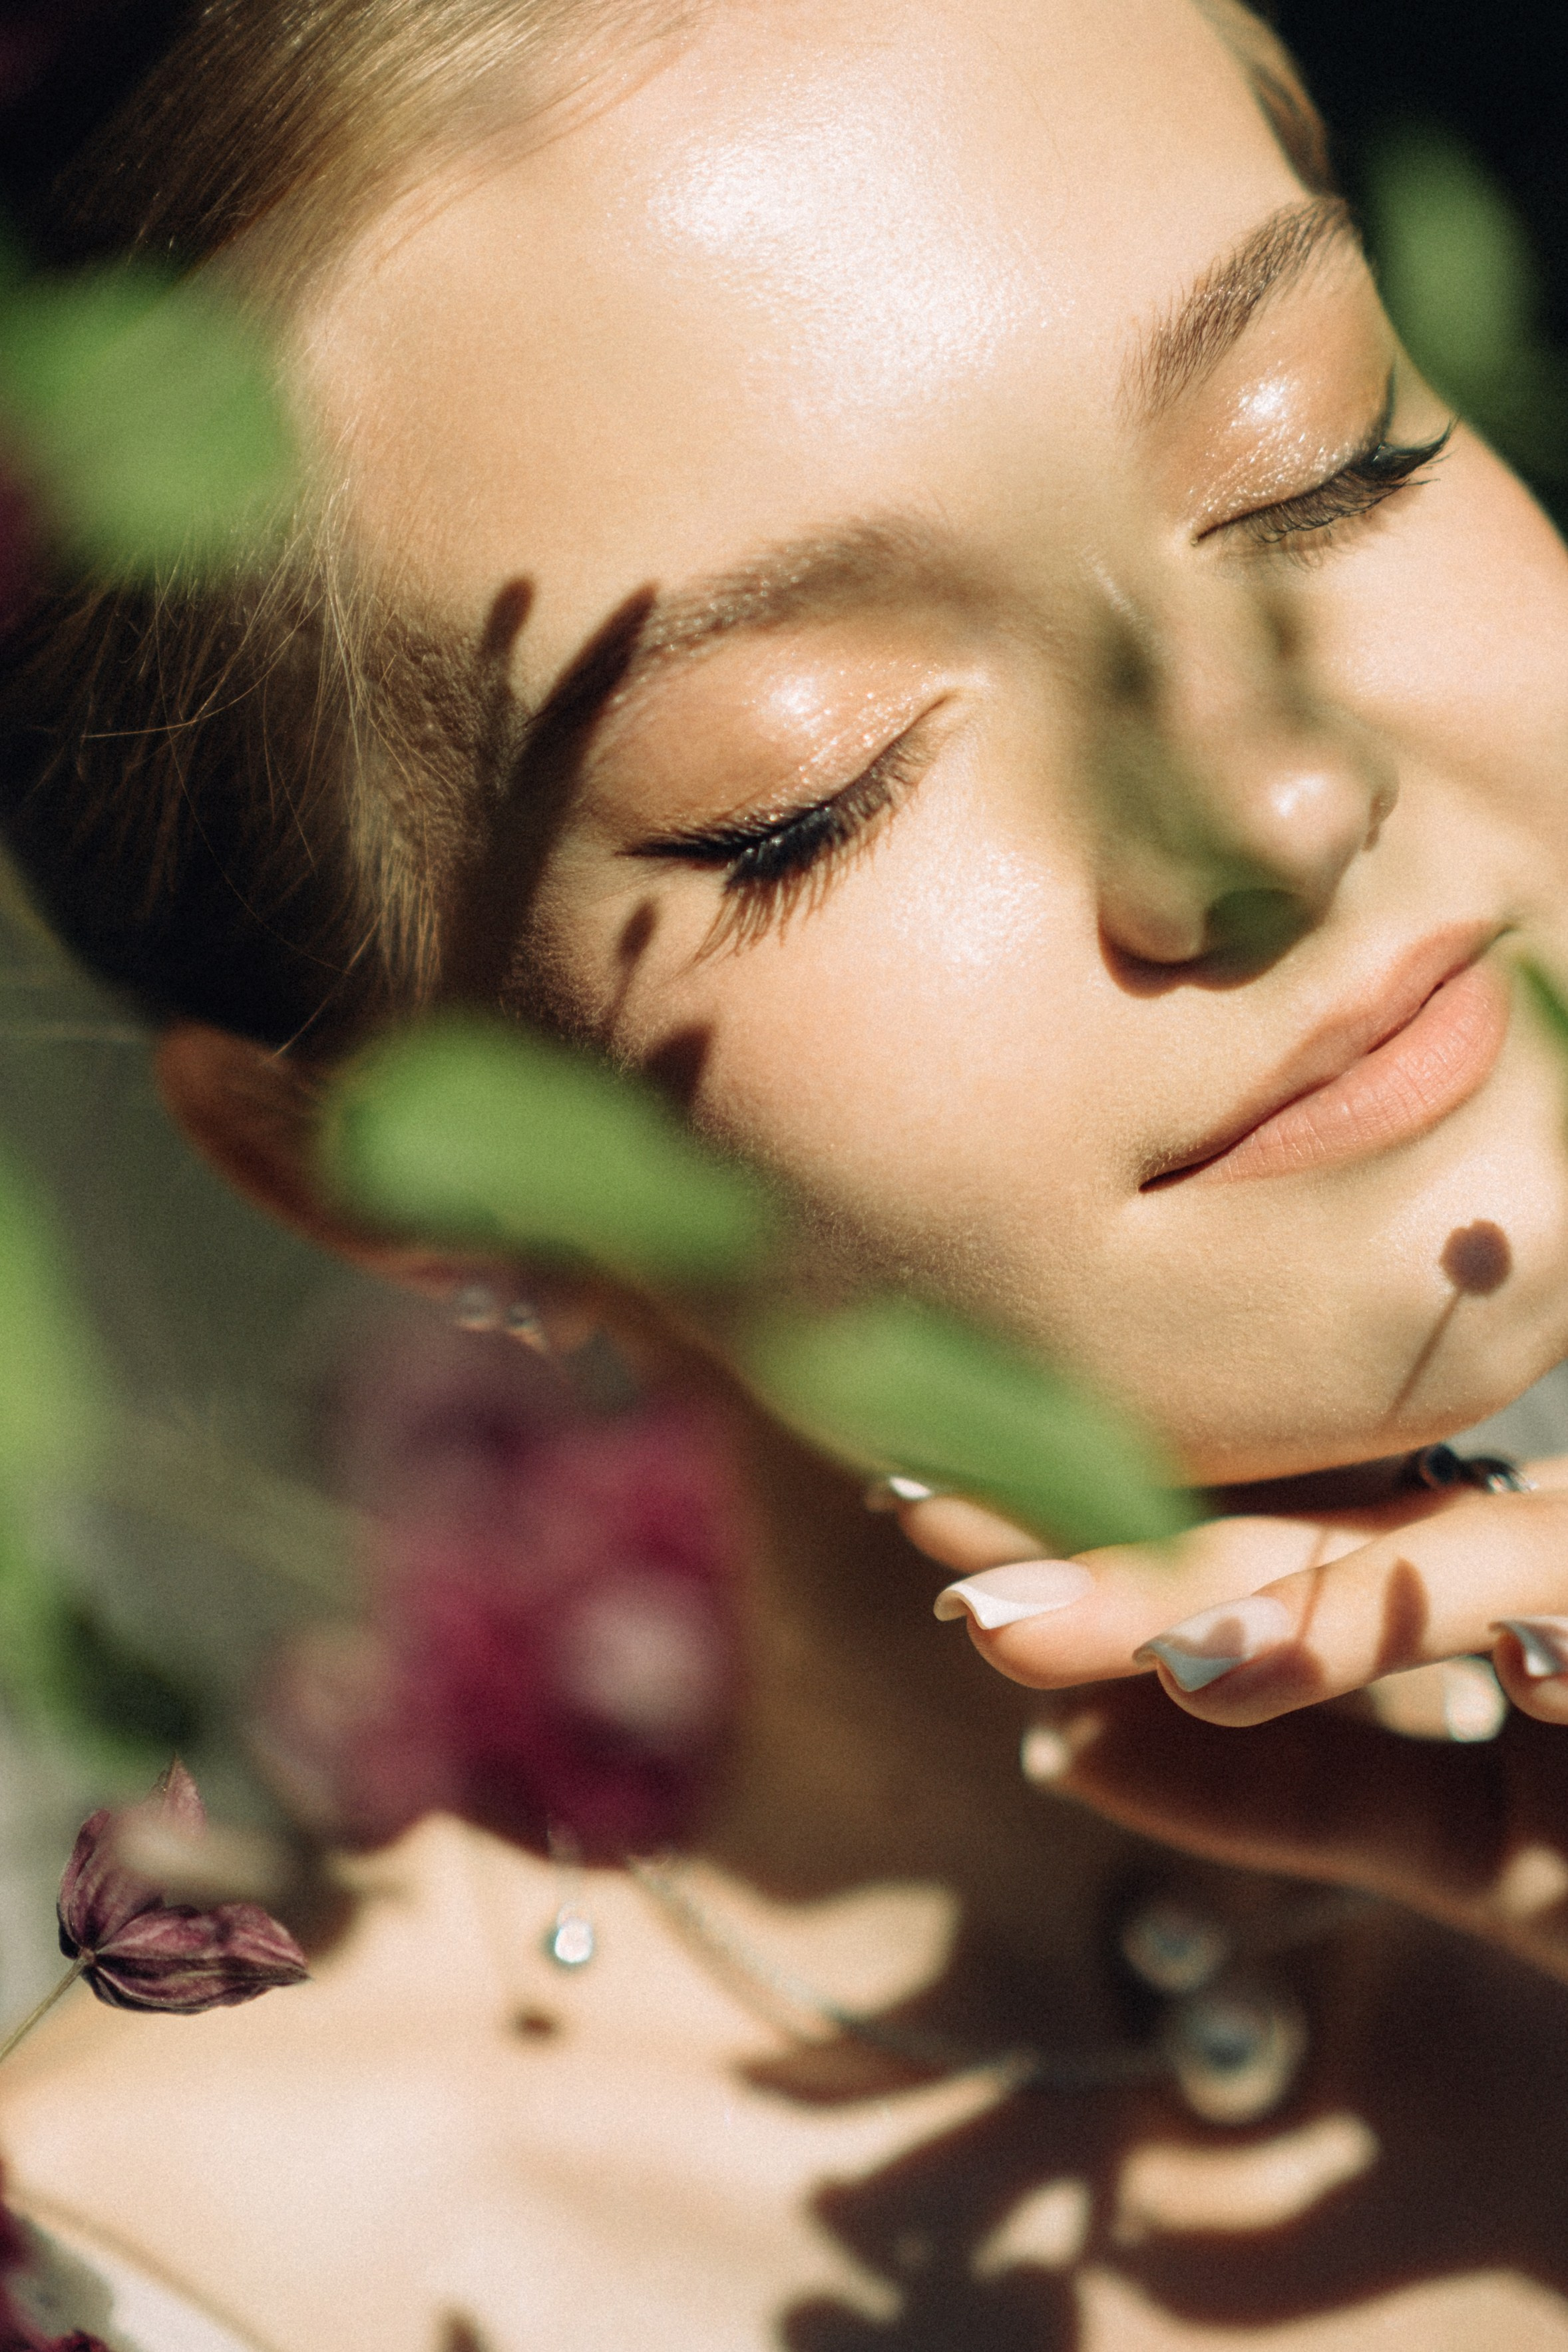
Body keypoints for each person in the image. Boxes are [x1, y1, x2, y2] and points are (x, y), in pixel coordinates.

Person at [6, 0, 1568, 2342]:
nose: (1270, 799)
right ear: (394, 1174)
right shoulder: (184, 2272)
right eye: (812, 792)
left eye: (1316, 459)